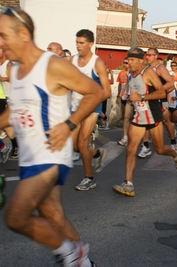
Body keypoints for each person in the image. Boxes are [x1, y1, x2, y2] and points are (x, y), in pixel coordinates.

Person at [0, 7, 103, 266]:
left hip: (50, 154)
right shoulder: (14, 69)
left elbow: (95, 92)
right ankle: (84, 263)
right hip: (28, 155)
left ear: (23, 34)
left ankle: (71, 253)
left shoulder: (53, 65)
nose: (0, 43)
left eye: (3, 36)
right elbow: (15, 110)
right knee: (53, 216)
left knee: (16, 216)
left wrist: (69, 124)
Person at [112, 48, 177, 197]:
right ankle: (128, 184)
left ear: (140, 60)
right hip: (139, 116)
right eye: (128, 60)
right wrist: (129, 97)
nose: (129, 63)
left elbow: (161, 92)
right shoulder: (130, 75)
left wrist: (143, 96)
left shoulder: (148, 72)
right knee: (131, 149)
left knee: (159, 149)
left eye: (132, 60)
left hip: (153, 115)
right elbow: (132, 93)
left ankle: (176, 154)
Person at [71, 29, 110, 191]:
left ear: (90, 44)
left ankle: (89, 179)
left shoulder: (97, 63)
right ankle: (96, 154)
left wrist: (90, 102)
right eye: (77, 42)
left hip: (92, 108)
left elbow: (106, 91)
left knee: (82, 142)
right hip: (74, 107)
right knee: (74, 146)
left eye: (81, 43)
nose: (78, 46)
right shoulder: (72, 60)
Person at [116, 57, 131, 146]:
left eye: (126, 63)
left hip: (133, 98)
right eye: (124, 63)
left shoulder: (134, 72)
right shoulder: (121, 73)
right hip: (123, 97)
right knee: (125, 117)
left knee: (130, 118)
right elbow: (120, 84)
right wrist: (118, 96)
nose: (125, 64)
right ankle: (125, 137)